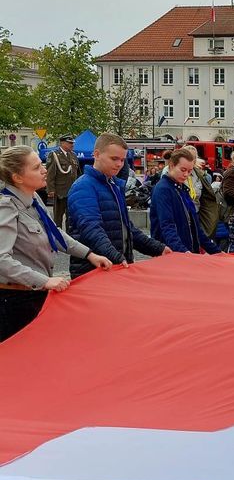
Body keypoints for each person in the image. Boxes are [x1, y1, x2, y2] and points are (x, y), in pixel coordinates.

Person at [0, 146, 113, 342]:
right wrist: (45, 281)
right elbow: (2, 260)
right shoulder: (6, 207)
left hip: (35, 294)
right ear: (18, 178)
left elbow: (54, 232)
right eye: (36, 167)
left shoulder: (33, 198)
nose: (44, 170)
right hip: (15, 300)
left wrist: (89, 254)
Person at [66, 133, 169, 277]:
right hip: (94, 271)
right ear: (97, 154)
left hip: (113, 268)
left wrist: (158, 248)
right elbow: (91, 229)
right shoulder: (83, 186)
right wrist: (117, 258)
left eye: (122, 160)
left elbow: (127, 229)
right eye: (114, 159)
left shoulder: (113, 185)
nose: (119, 164)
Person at [150, 148, 220, 254]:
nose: (186, 174)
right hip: (171, 254)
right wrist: (183, 251)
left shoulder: (182, 188)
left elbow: (195, 226)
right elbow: (167, 226)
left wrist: (215, 251)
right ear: (171, 166)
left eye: (190, 171)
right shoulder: (163, 189)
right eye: (183, 170)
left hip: (186, 251)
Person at [183, 145, 221, 240]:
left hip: (195, 214)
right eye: (188, 157)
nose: (191, 160)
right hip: (181, 216)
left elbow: (205, 196)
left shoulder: (199, 175)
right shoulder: (175, 173)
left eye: (194, 157)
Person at [45, 135, 81, 229]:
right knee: (58, 217)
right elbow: (50, 173)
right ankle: (58, 235)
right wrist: (50, 190)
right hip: (60, 191)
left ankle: (69, 234)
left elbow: (78, 173)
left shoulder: (73, 155)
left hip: (72, 191)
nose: (72, 145)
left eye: (72, 143)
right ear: (62, 143)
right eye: (70, 143)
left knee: (71, 217)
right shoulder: (54, 155)